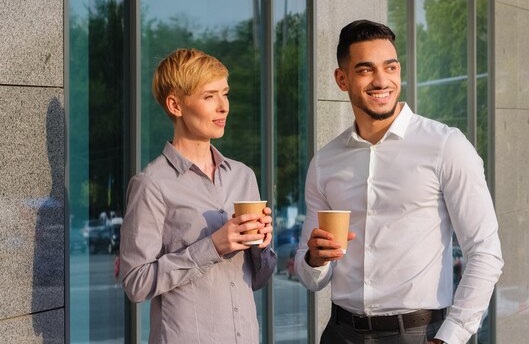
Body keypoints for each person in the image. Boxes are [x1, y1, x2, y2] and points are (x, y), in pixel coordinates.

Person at [294, 20, 503, 344]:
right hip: (340, 334)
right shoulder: (325, 162)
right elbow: (310, 276)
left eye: (390, 67)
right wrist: (314, 259)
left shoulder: (446, 146)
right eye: (365, 70)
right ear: (342, 78)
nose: (382, 80)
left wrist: (451, 336)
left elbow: (485, 251)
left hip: (420, 335)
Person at [120, 48, 276, 344]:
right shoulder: (151, 183)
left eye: (225, 93)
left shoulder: (243, 176)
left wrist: (261, 246)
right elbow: (135, 283)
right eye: (209, 96)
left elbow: (257, 279)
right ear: (175, 105)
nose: (224, 107)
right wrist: (213, 246)